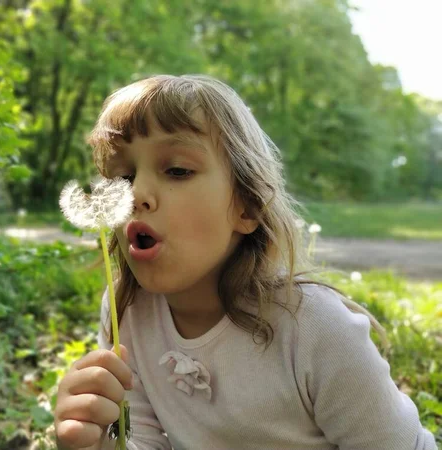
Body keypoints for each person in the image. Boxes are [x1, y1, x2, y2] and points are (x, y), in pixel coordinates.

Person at [52, 75, 437, 450]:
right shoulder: (125, 315)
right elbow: (141, 439)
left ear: (247, 207)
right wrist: (103, 441)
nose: (137, 194)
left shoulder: (316, 329)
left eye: (177, 170)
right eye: (123, 176)